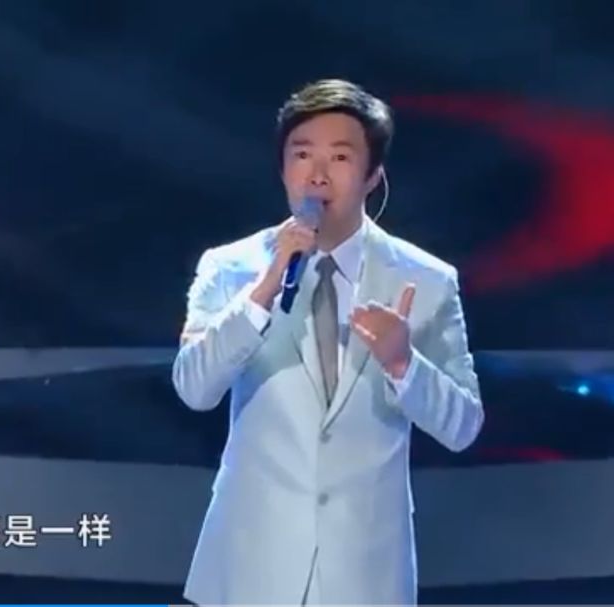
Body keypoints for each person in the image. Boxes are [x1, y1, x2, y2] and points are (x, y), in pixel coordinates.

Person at [171, 78, 484, 606]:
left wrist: (403, 363)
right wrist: (262, 292)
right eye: (302, 155)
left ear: (372, 176)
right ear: (282, 169)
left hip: (365, 574)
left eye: (339, 157)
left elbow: (463, 426)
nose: (317, 174)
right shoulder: (230, 268)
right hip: (248, 568)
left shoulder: (426, 280)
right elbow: (194, 390)